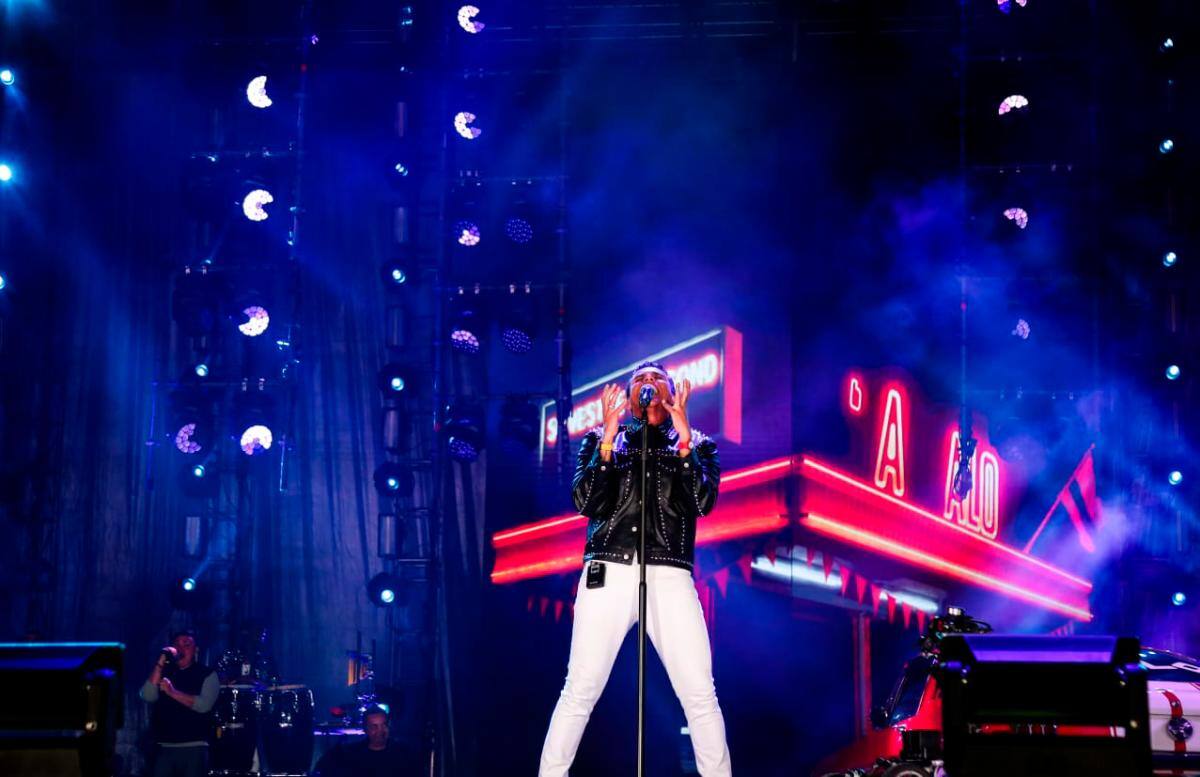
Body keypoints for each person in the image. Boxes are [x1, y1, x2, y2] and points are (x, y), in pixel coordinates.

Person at [539, 361, 732, 776]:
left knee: (700, 693)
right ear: (629, 398)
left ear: (671, 392)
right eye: (639, 379)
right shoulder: (599, 439)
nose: (647, 383)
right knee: (580, 688)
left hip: (669, 573)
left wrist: (683, 444)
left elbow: (701, 503)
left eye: (656, 378)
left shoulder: (698, 443)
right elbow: (585, 502)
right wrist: (608, 441)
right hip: (607, 570)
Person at [139, 629, 219, 777]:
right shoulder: (165, 672)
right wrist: (160, 662)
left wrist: (172, 692)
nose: (181, 649)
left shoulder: (207, 674)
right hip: (163, 747)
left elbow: (204, 705)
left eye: (186, 645)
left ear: (196, 650)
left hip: (194, 748)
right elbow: (147, 696)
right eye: (177, 645)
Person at [315, 705, 421, 777]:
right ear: (366, 729)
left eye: (384, 725)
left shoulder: (404, 754)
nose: (380, 730)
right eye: (374, 726)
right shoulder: (350, 755)